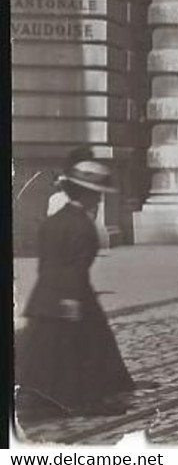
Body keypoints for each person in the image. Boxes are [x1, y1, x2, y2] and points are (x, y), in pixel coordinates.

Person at [16, 161, 136, 418]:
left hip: (44, 295)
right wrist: (71, 302)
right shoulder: (82, 226)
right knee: (87, 346)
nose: (99, 198)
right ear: (88, 195)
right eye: (97, 194)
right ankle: (87, 400)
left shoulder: (52, 221)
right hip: (74, 295)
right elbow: (76, 269)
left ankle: (39, 396)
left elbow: (47, 263)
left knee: (44, 348)